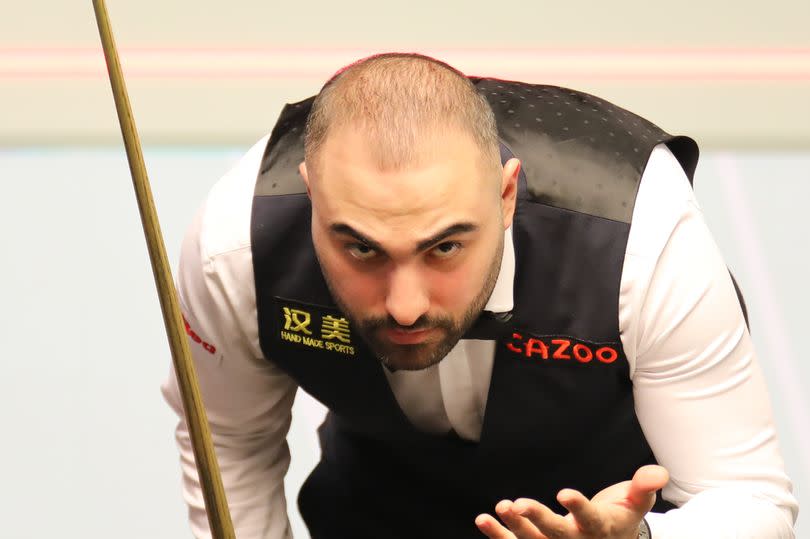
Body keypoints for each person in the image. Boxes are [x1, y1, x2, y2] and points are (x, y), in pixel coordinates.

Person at [162, 53, 798, 538]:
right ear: (312, 195)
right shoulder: (237, 244)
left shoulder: (642, 235)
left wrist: (645, 536)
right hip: (378, 511)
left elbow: (751, 499)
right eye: (361, 248)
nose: (405, 305)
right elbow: (227, 442)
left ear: (505, 195)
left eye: (444, 247)